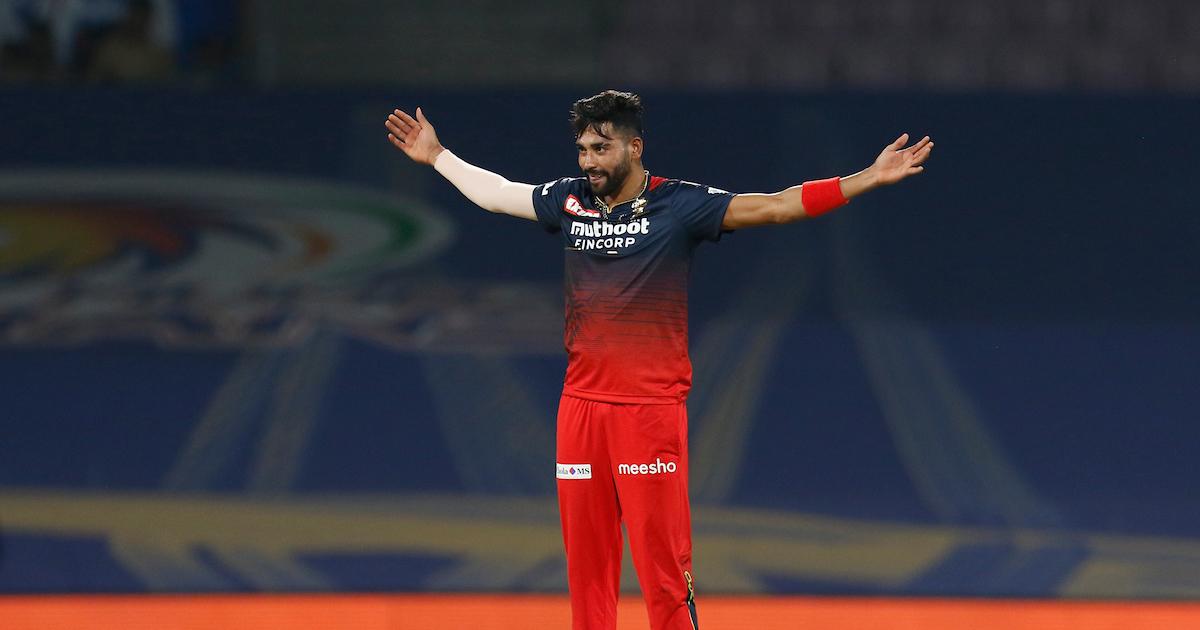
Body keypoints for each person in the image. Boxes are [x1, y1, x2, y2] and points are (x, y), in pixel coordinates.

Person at [385, 90, 933, 630]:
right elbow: (499, 193)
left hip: (648, 412)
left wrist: (866, 178)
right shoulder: (571, 200)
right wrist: (438, 156)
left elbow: (776, 206)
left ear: (635, 147)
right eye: (582, 150)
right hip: (580, 410)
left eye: (601, 149)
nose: (588, 162)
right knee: (586, 570)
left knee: (664, 571)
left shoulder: (681, 204)